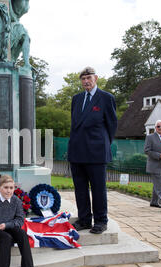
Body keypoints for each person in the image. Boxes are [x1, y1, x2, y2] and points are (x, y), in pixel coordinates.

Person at [67, 67, 117, 234]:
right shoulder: (76, 99)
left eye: (89, 78)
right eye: (83, 79)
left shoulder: (106, 98)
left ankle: (101, 221)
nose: (86, 81)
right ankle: (84, 219)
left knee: (98, 189)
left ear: (96, 78)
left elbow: (111, 126)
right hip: (77, 151)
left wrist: (102, 145)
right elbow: (74, 125)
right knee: (80, 189)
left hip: (96, 152)